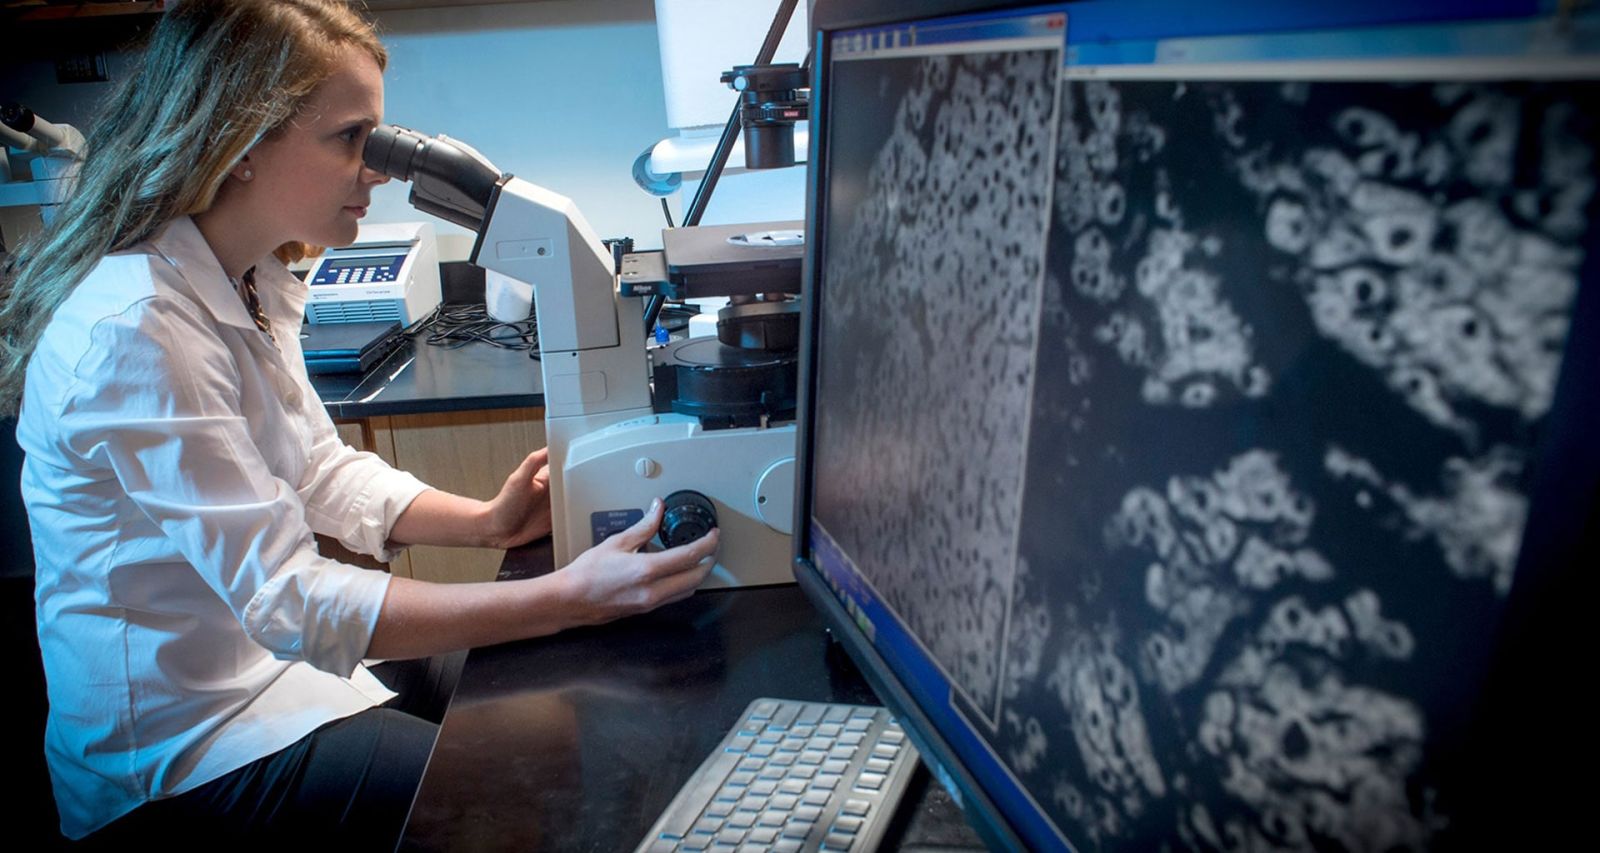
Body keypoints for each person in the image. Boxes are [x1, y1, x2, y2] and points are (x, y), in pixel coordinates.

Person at [0, 0, 718, 846]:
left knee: (566, 695)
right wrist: (563, 598)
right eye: (352, 139)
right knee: (524, 783)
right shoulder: (138, 328)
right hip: (180, 751)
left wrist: (487, 524)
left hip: (277, 674)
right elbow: (289, 595)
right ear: (241, 144)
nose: (377, 170)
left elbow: (316, 468)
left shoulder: (249, 277)